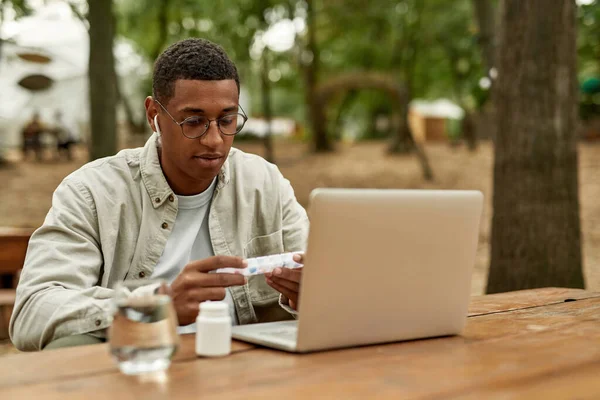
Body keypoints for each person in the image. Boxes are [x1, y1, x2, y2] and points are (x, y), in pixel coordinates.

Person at [10, 38, 308, 351]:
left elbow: (322, 277)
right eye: (193, 121)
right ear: (154, 114)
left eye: (227, 120)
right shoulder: (92, 193)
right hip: (139, 363)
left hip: (244, 367)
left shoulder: (265, 184)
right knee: (67, 347)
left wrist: (311, 295)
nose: (214, 140)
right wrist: (152, 306)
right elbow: (33, 311)